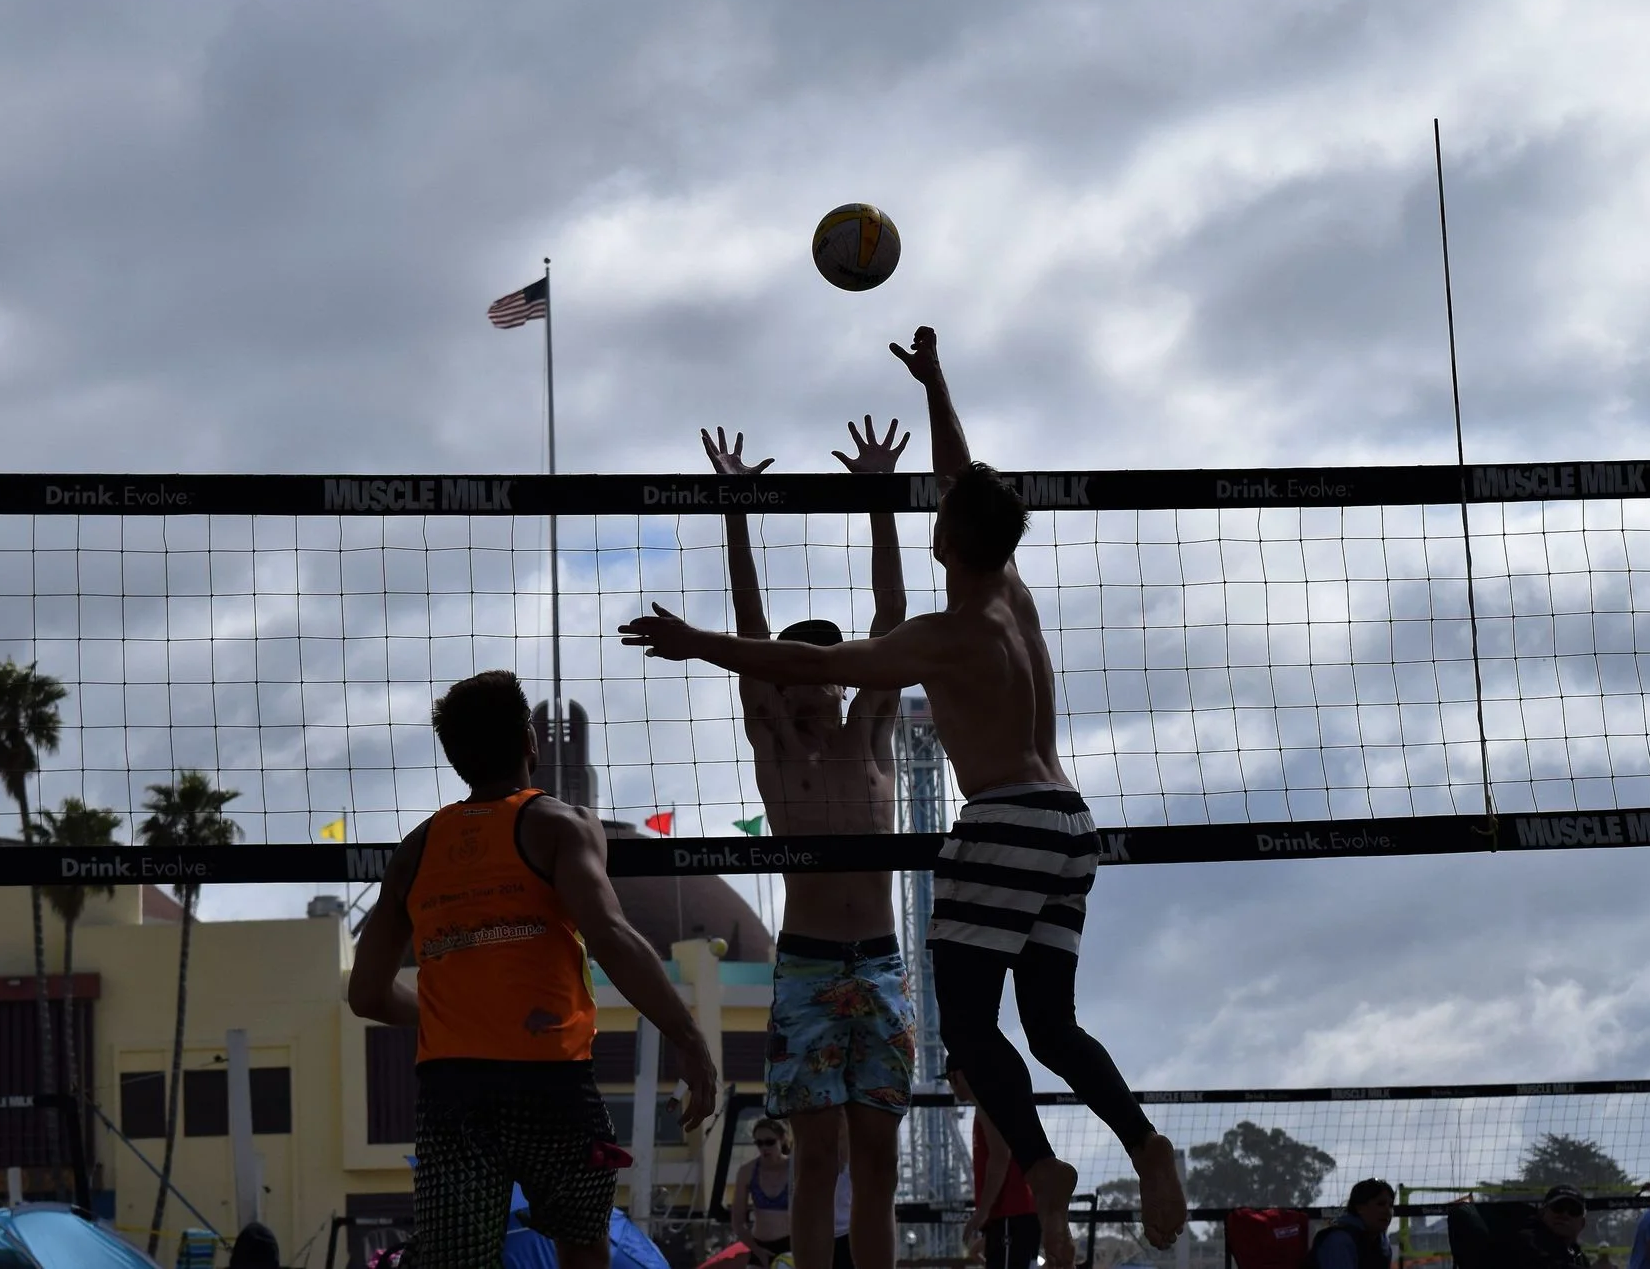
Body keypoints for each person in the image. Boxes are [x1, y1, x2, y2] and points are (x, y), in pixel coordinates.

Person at [623, 328, 1184, 1269]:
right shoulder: (1007, 594)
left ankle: (1039, 1164)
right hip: (1061, 828)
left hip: (970, 858)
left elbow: (843, 635)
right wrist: (933, 387)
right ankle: (1134, 1141)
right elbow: (960, 484)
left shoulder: (917, 664)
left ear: (945, 537)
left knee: (961, 1039)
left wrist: (695, 641)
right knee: (1045, 1028)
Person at [348, 670, 720, 1269]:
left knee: (456, 1262)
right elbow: (611, 937)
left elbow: (366, 995)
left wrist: (452, 1019)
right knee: (582, 1242)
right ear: (530, 741)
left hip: (451, 1091)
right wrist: (689, 1039)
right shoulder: (561, 825)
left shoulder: (415, 849)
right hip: (549, 1079)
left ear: (454, 757)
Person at [704, 417, 915, 1269]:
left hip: (880, 962)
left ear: (840, 677)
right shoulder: (778, 746)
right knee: (818, 1160)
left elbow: (892, 617)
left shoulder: (870, 732)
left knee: (878, 1162)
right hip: (807, 965)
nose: (796, 681)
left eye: (811, 669)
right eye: (785, 670)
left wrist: (879, 498)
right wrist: (735, 507)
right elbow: (751, 630)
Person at [954, 1071, 1039, 1269]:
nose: (952, 1086)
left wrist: (982, 1212)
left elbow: (1001, 1155)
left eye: (952, 1079)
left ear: (960, 1076)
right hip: (1008, 1217)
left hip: (1010, 1213)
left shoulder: (989, 1104)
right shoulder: (991, 1104)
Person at [732, 1118, 796, 1267]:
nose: (764, 1148)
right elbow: (738, 1222)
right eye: (759, 1143)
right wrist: (758, 1251)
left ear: (782, 1139)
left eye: (770, 1142)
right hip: (759, 1246)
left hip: (791, 1246)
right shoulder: (747, 1171)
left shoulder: (795, 1169)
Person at [1310, 1181, 1396, 1269]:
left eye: (1391, 1205)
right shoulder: (1339, 1241)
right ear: (1360, 1208)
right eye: (1380, 1204)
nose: (1388, 1211)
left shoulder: (1383, 1242)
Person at [1508, 1187, 1591, 1269]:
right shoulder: (1525, 1243)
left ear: (1582, 1223)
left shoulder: (1579, 1257)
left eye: (1574, 1211)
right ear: (1542, 1213)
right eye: (1558, 1208)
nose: (1565, 1215)